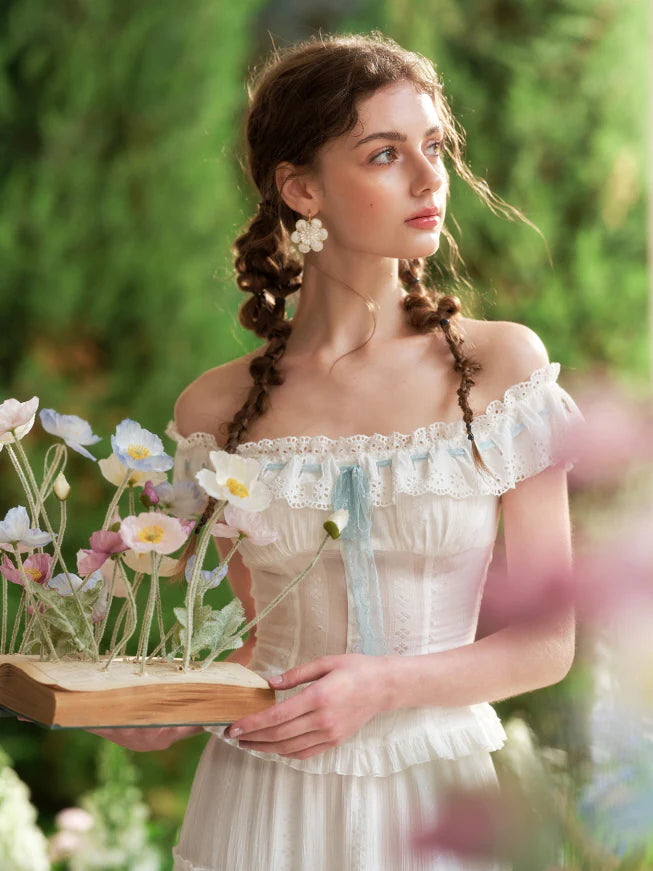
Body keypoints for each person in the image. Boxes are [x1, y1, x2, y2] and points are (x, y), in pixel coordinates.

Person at [96, 31, 585, 870]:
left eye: (432, 147)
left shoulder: (500, 368)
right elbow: (249, 642)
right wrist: (160, 708)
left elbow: (548, 640)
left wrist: (383, 686)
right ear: (300, 188)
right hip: (260, 803)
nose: (430, 178)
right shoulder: (216, 409)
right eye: (384, 154)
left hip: (436, 797)